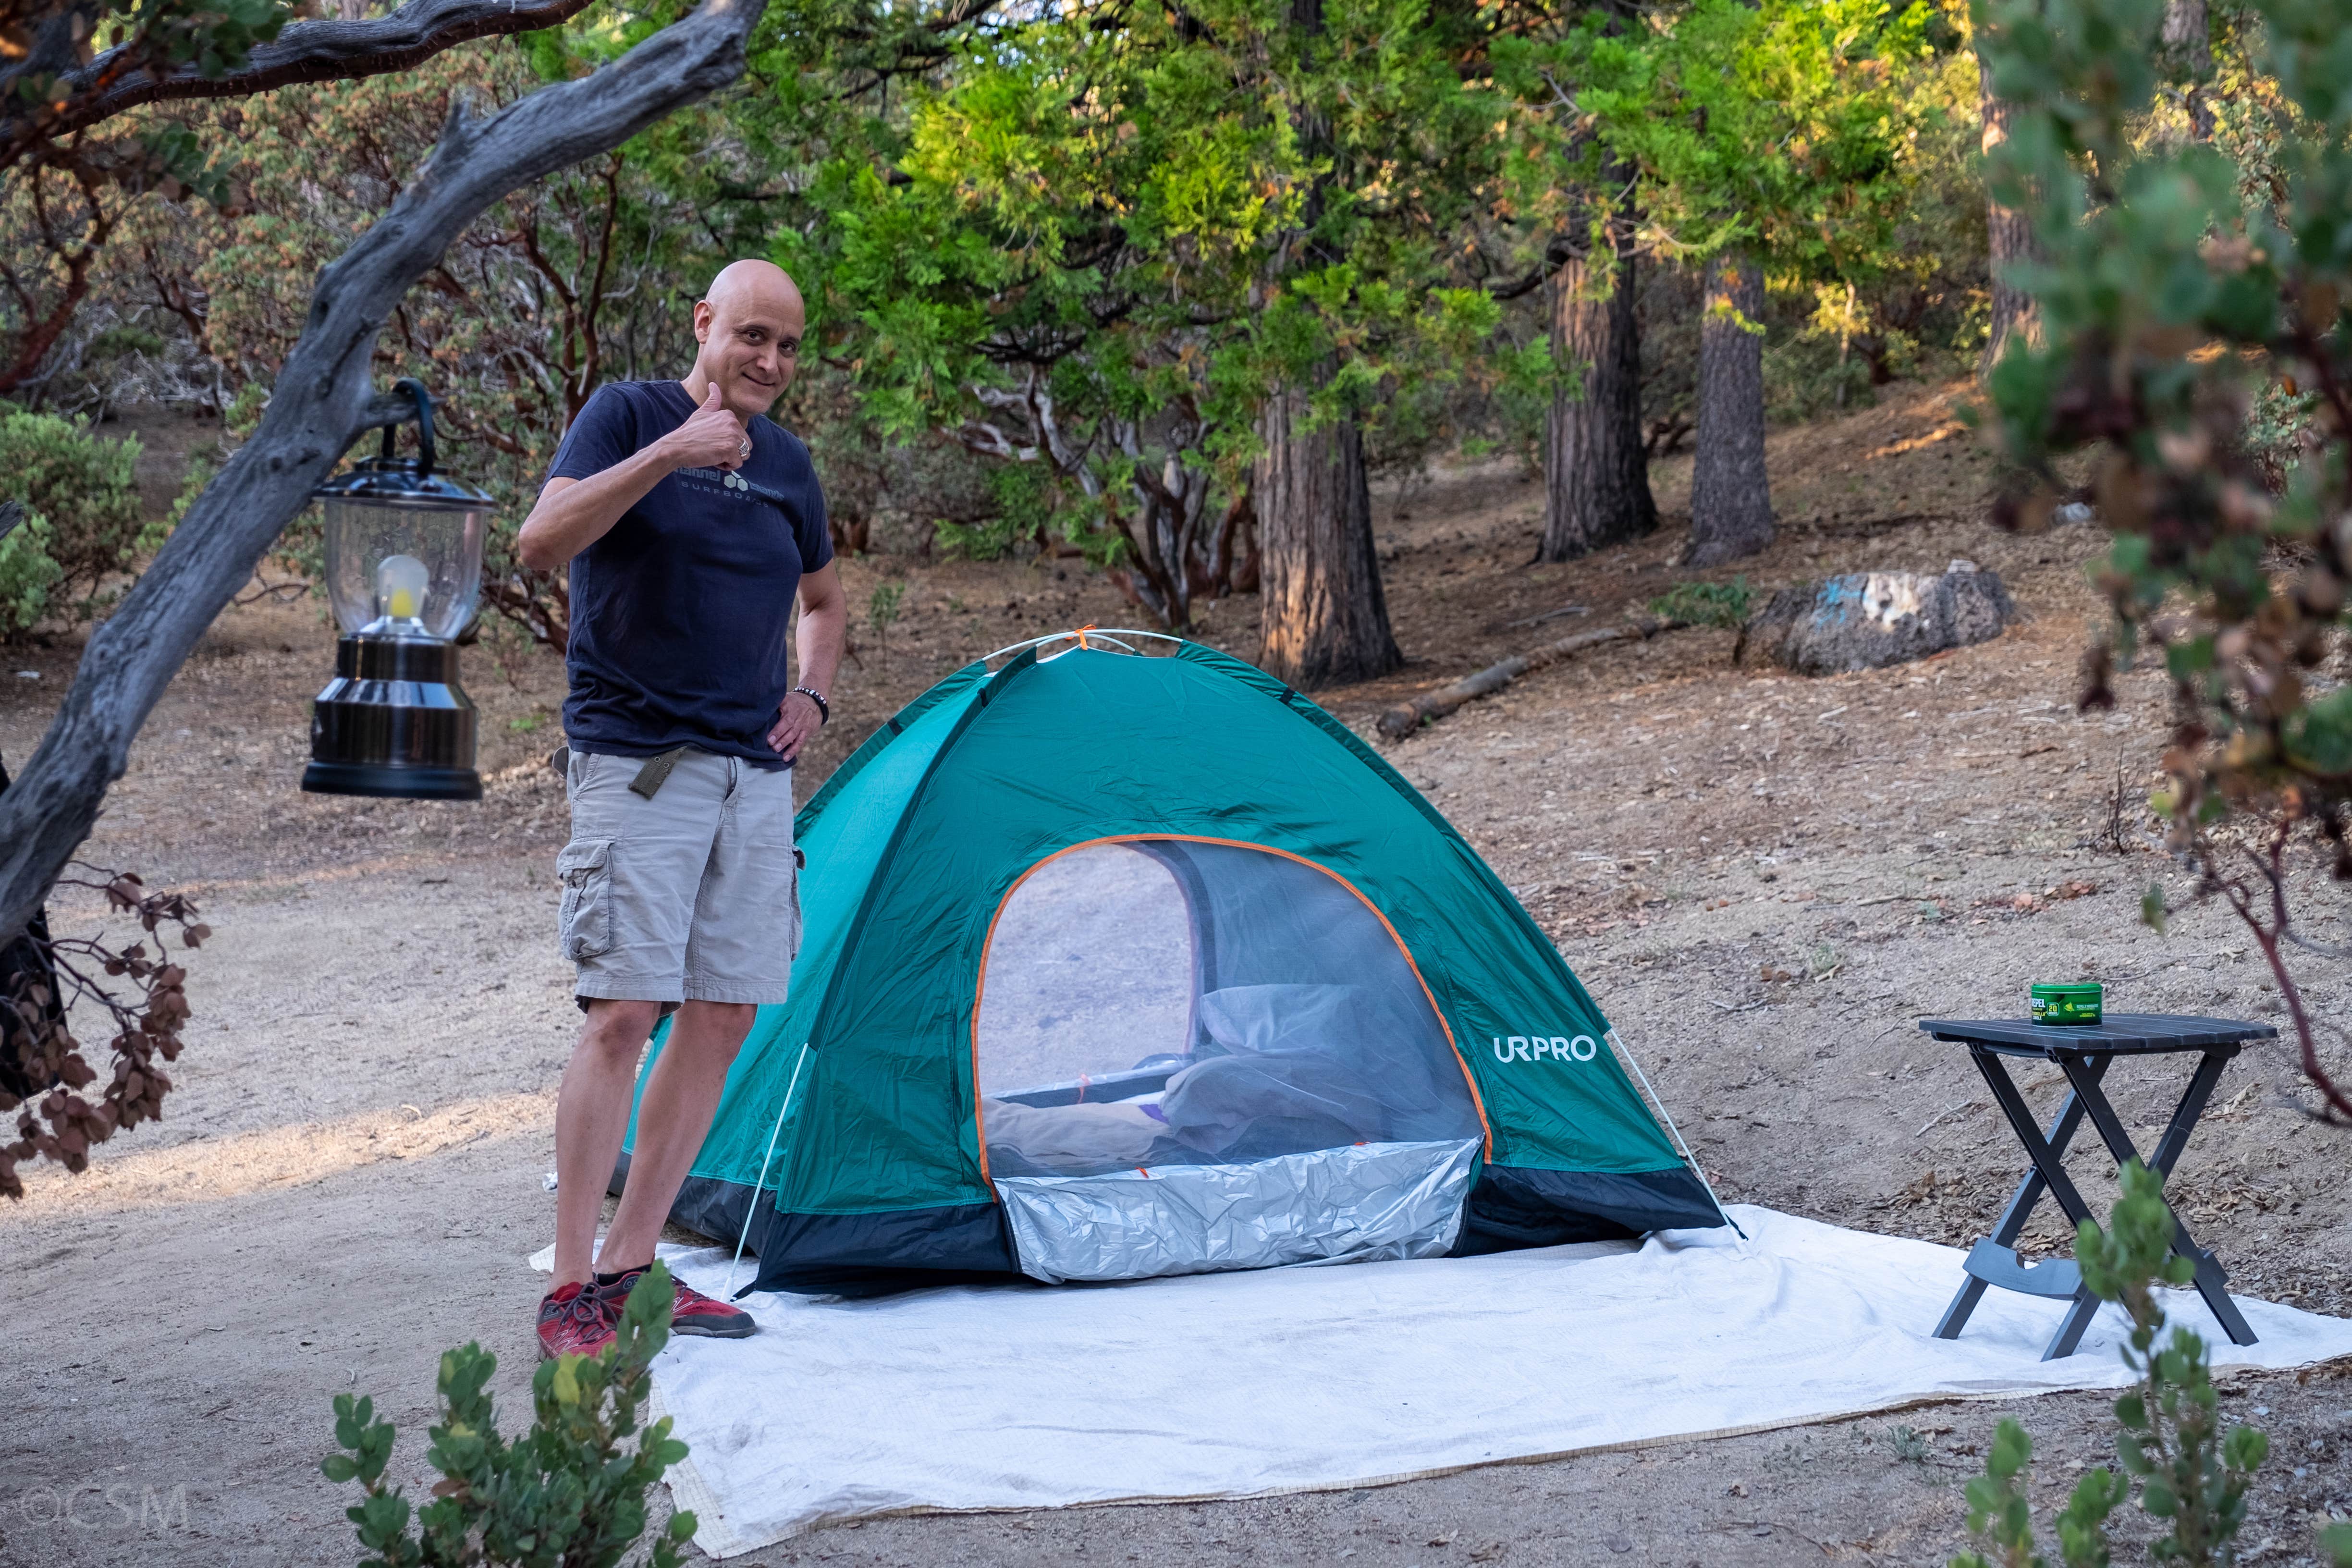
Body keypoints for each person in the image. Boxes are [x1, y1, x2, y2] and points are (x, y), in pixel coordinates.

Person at [515, 259, 847, 1359]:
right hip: (640, 764)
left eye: (790, 346)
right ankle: (571, 1287)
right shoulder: (628, 414)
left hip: (751, 778)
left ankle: (633, 1269)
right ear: (703, 323)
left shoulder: (790, 464)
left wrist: (811, 690)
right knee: (623, 1013)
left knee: (722, 1014)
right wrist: (670, 454)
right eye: (752, 336)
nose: (771, 362)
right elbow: (541, 540)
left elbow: (825, 600)